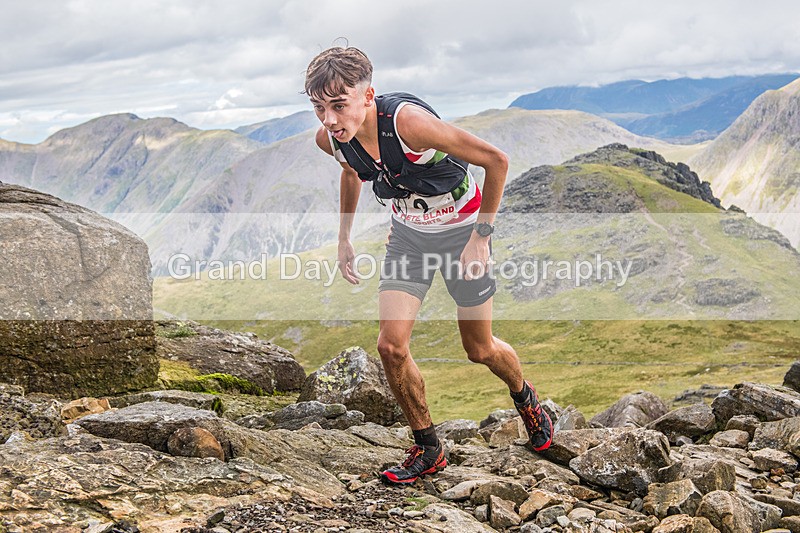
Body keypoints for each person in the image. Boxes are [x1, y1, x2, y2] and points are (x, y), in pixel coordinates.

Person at [304, 45, 553, 485]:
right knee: (390, 346)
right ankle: (428, 447)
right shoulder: (331, 140)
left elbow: (496, 161)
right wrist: (344, 238)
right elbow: (349, 172)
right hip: (409, 238)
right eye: (319, 107)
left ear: (367, 96)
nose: (329, 119)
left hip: (462, 234)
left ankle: (526, 397)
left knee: (480, 350)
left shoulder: (408, 124)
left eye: (338, 105)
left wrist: (481, 238)